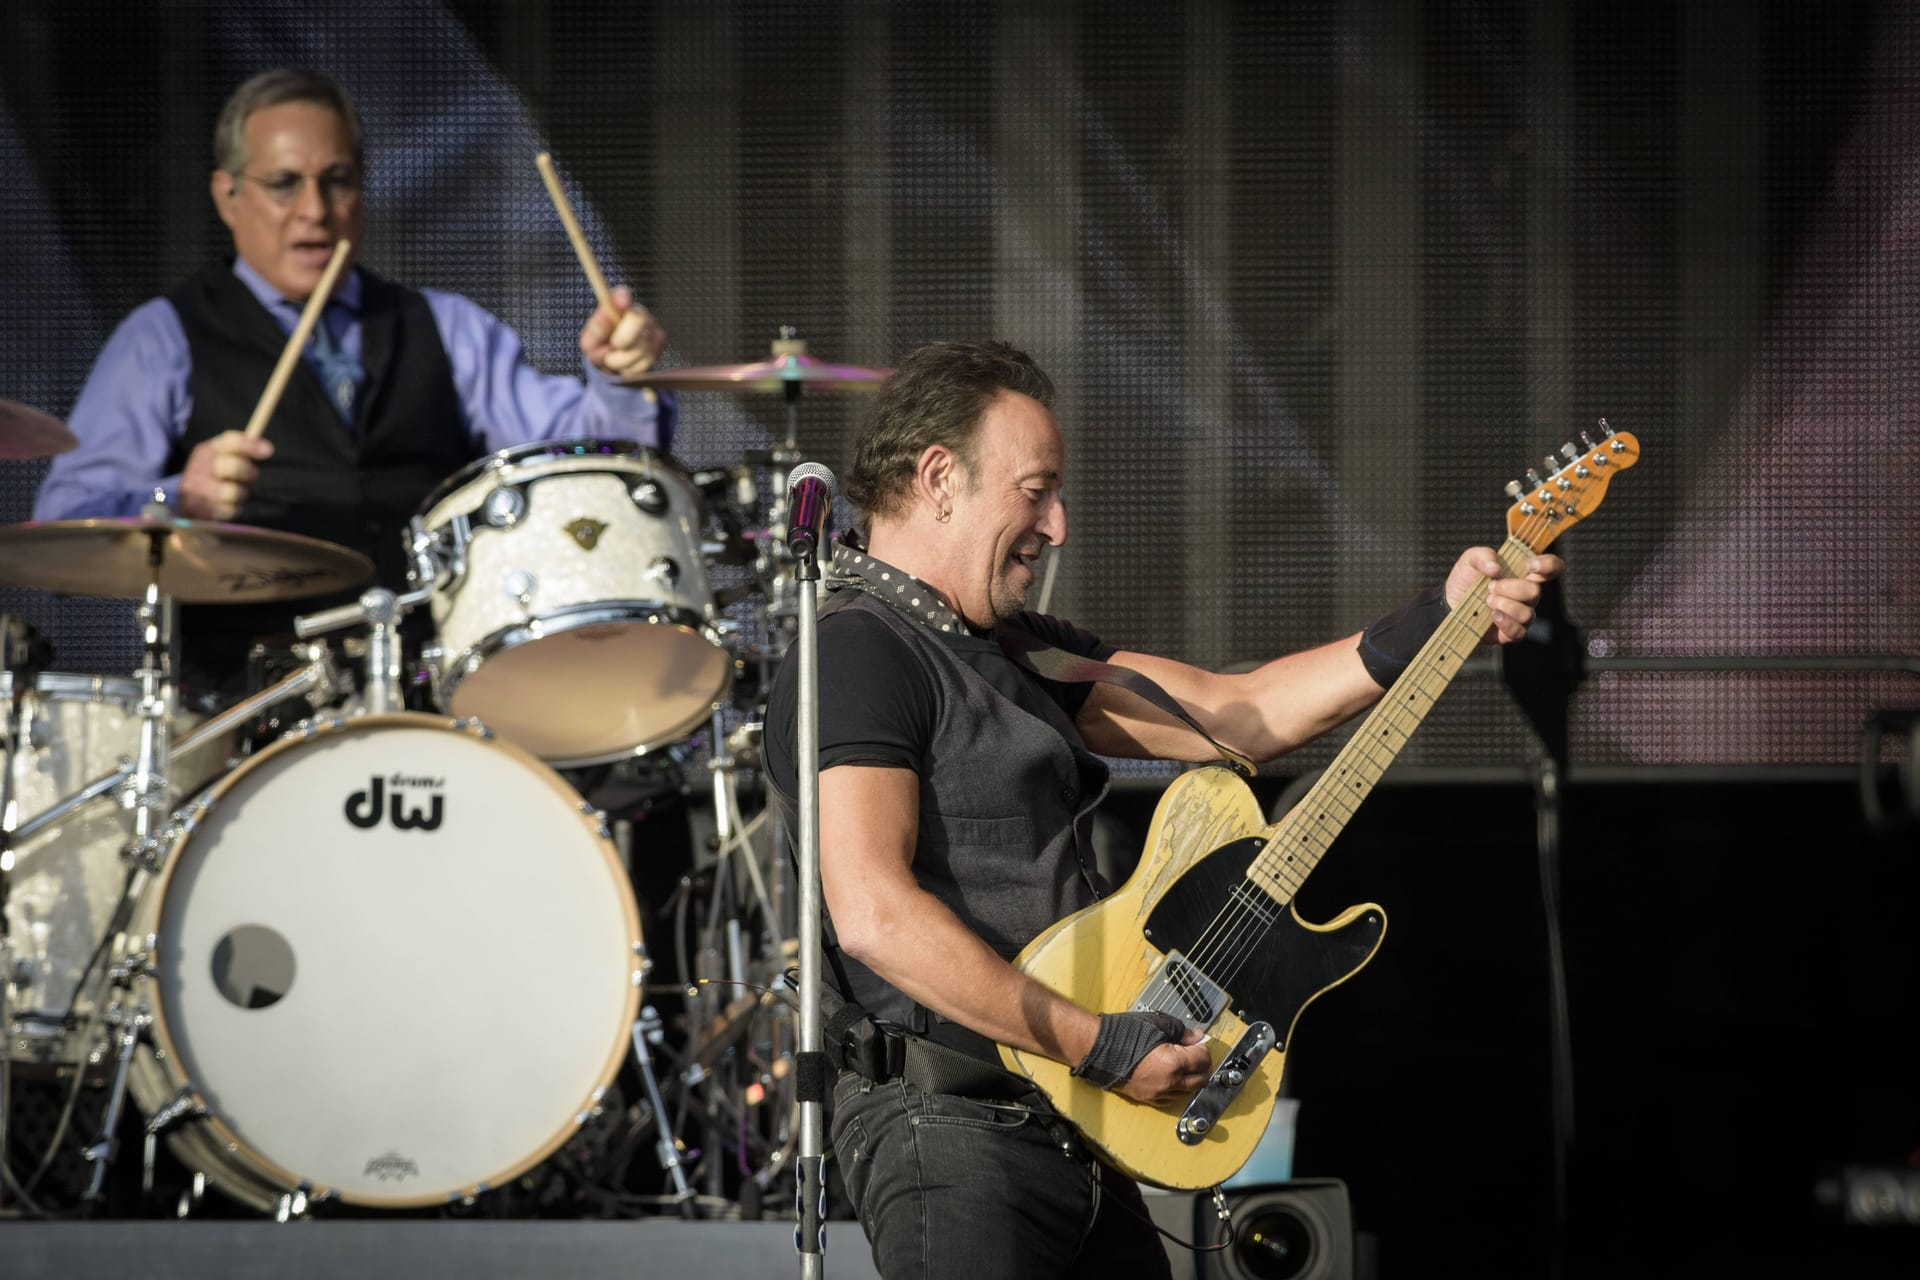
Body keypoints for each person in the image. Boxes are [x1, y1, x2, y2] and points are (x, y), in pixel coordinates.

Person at [763, 340, 1563, 1279]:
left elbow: (1241, 715)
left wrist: (1443, 614)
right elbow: (874, 915)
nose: (1056, 524)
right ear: (939, 478)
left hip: (1076, 1120)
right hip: (954, 1126)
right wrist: (1101, 1044)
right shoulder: (862, 652)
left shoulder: (1022, 653)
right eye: (1035, 488)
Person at [33, 67, 671, 689]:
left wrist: (618, 378)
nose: (314, 210)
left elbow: (585, 464)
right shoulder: (162, 338)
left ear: (362, 186)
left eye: (335, 181)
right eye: (284, 184)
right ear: (228, 196)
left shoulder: (447, 328)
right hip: (239, 711)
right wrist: (177, 502)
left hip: (429, 697)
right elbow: (66, 526)